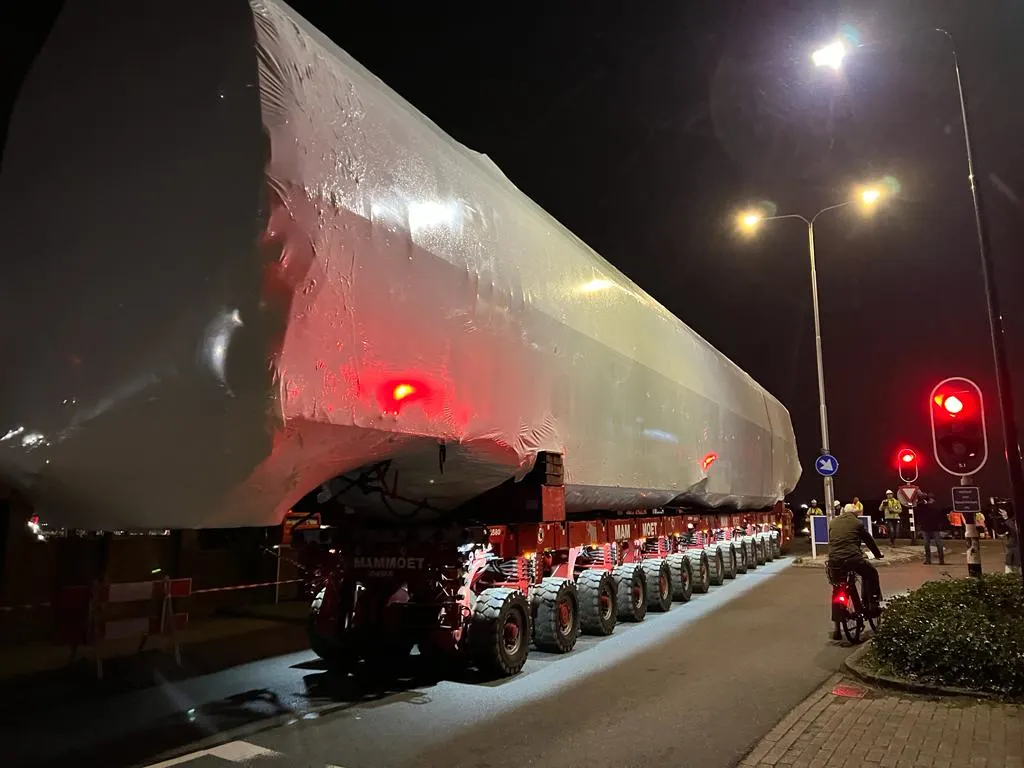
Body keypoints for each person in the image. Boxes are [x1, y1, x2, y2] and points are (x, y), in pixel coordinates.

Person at [828, 503, 884, 616]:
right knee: (871, 573)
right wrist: (877, 554)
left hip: (834, 560)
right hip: (852, 557)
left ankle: (837, 621)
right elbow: (869, 540)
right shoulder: (857, 523)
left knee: (837, 585)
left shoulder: (833, 522)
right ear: (854, 513)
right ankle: (873, 603)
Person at [915, 493, 946, 565]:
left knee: (936, 544)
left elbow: (941, 515)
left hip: (933, 528)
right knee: (928, 544)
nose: (931, 500)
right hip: (927, 528)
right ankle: (930, 560)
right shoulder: (925, 506)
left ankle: (940, 560)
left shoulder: (935, 507)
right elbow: (917, 507)